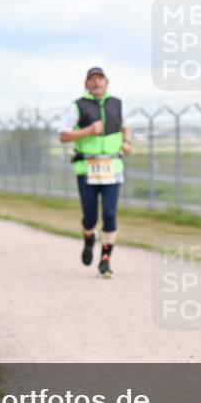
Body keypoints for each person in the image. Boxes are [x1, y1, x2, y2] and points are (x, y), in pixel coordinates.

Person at [58, 66, 132, 277]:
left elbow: (127, 126)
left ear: (106, 82)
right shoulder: (77, 106)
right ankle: (89, 237)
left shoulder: (117, 104)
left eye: (100, 78)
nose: (96, 82)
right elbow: (63, 136)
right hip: (87, 168)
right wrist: (88, 131)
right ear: (86, 84)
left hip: (112, 167)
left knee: (109, 214)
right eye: (92, 79)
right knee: (90, 217)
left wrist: (127, 142)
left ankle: (105, 260)